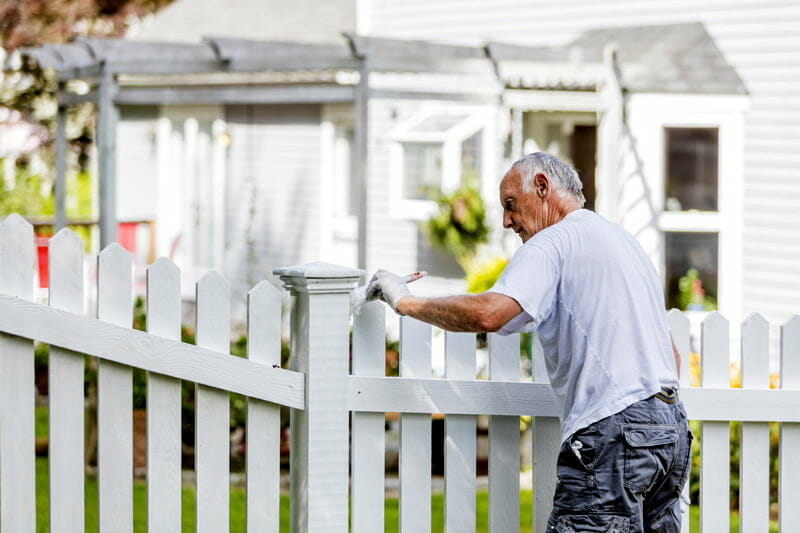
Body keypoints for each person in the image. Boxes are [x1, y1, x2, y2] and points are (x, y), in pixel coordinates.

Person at [366, 152, 692, 532]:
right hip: (669, 429)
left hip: (613, 431)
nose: (506, 221)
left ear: (541, 186)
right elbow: (671, 355)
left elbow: (489, 313)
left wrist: (404, 301)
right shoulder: (623, 243)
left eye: (510, 204)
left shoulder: (552, 242)